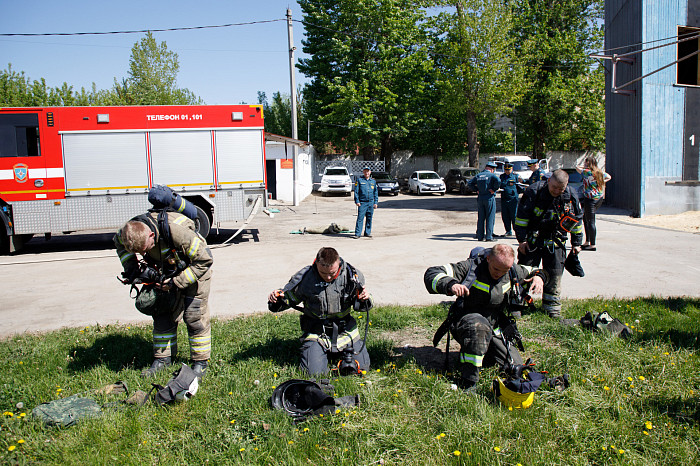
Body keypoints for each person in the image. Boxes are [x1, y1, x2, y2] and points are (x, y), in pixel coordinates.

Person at [424, 244, 547, 390]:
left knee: (515, 365)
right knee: (479, 327)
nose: (499, 274)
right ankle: (469, 382)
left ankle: (484, 354)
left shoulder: (513, 270)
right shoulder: (471, 267)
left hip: (494, 326)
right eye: (496, 269)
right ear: (488, 259)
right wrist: (450, 284)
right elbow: (432, 273)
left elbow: (537, 271)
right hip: (467, 322)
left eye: (504, 270)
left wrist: (539, 277)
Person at [115, 210, 213, 380]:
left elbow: (205, 260)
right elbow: (118, 244)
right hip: (166, 271)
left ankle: (200, 363)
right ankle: (163, 359)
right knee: (162, 314)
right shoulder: (126, 233)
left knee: (194, 316)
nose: (144, 254)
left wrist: (176, 282)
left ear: (152, 235)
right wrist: (132, 268)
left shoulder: (177, 232)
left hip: (195, 270)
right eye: (140, 253)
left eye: (147, 249)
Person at [268, 247, 372, 376]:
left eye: (333, 273)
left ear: (338, 263)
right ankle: (317, 354)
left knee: (362, 369)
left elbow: (362, 307)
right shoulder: (305, 278)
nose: (328, 277)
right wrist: (276, 300)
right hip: (317, 334)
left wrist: (364, 299)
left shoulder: (353, 276)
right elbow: (288, 299)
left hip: (346, 332)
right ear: (316, 263)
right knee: (313, 374)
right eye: (323, 273)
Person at [514, 169, 583, 319]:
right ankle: (517, 305)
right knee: (524, 272)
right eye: (554, 188)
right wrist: (522, 240)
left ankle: (551, 309)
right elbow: (521, 218)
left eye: (561, 189)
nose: (557, 191)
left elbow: (577, 220)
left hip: (556, 241)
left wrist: (577, 243)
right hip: (532, 241)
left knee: (555, 273)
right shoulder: (534, 191)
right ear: (549, 180)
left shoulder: (570, 195)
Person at [576, 157, 612, 251]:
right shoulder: (599, 172)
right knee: (586, 218)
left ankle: (592, 244)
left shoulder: (586, 172)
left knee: (591, 221)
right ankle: (587, 241)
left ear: (588, 163)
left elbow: (577, 167)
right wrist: (601, 182)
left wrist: (583, 166)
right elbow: (609, 177)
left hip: (590, 198)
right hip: (599, 198)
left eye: (586, 163)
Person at [468, 162, 500, 242]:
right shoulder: (491, 175)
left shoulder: (479, 175)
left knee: (481, 218)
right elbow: (498, 181)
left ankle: (480, 236)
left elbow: (470, 183)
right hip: (489, 198)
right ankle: (489, 237)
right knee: (490, 217)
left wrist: (476, 190)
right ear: (492, 169)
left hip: (480, 198)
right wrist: (494, 189)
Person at [498, 163, 525, 237]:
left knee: (514, 216)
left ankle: (517, 231)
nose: (507, 171)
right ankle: (508, 231)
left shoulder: (515, 176)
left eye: (508, 170)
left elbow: (521, 186)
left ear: (512, 169)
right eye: (506, 170)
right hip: (504, 199)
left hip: (513, 199)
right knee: (505, 216)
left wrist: (516, 194)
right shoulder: (502, 176)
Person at [353, 167, 378, 239]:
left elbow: (375, 192)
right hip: (362, 203)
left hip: (371, 202)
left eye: (367, 171)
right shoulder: (360, 180)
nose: (366, 173)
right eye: (365, 172)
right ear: (363, 172)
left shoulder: (373, 181)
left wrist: (375, 202)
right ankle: (357, 234)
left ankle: (367, 232)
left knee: (369, 218)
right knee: (360, 218)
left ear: (370, 172)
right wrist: (357, 201)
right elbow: (356, 192)